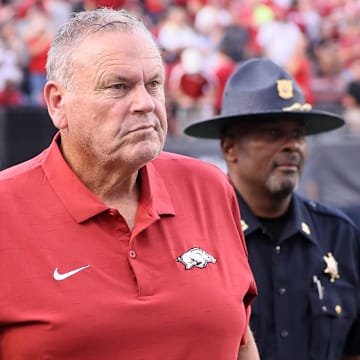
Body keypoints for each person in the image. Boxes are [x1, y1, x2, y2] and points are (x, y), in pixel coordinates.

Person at [0, 8, 259, 360]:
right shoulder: (7, 208)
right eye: (117, 87)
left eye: (153, 84)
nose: (145, 103)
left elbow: (241, 340)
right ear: (58, 103)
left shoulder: (209, 188)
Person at [184, 57, 360, 360]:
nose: (292, 145)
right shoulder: (193, 238)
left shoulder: (337, 234)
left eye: (298, 135)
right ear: (229, 148)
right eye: (272, 134)